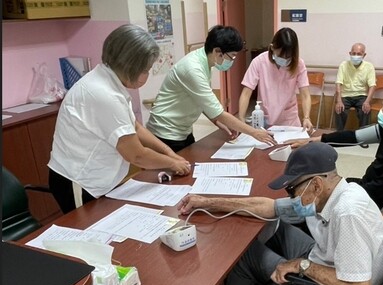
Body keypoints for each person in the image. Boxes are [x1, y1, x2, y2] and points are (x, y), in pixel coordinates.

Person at [178, 142, 383, 285]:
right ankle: (253, 284)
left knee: (243, 255)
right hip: (329, 257)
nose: (290, 196)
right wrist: (208, 203)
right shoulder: (339, 191)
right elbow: (270, 207)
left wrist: (302, 265)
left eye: (292, 189)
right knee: (276, 226)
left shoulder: (347, 214)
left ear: (316, 185)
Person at [48, 24, 191, 214]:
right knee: (91, 231)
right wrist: (172, 163)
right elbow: (136, 155)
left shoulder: (109, 82)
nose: (147, 76)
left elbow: (135, 127)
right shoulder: (103, 94)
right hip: (79, 181)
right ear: (130, 65)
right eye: (146, 70)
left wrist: (169, 152)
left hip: (100, 178)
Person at [286, 83, 383, 222]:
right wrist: (313, 140)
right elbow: (355, 137)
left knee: (317, 194)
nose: (381, 111)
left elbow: (377, 190)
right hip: (369, 185)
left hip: (375, 202)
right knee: (321, 187)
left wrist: (332, 194)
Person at [147, 25, 276, 152]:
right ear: (217, 51)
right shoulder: (193, 69)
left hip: (182, 131)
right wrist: (254, 133)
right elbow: (219, 112)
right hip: (165, 133)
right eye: (232, 56)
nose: (232, 60)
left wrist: (216, 121)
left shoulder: (203, 61)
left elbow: (201, 101)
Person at [237, 28, 313, 132]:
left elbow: (305, 94)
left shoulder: (298, 64)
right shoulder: (259, 62)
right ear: (272, 47)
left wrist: (306, 117)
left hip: (289, 120)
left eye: (288, 57)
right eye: (281, 56)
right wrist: (241, 118)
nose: (285, 60)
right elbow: (246, 92)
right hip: (265, 119)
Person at [334, 43, 376, 131]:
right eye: (354, 53)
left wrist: (367, 102)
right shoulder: (343, 65)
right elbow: (338, 83)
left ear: (364, 55)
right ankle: (339, 135)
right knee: (339, 109)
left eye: (359, 54)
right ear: (350, 53)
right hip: (345, 95)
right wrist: (339, 101)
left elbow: (372, 85)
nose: (356, 56)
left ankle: (363, 136)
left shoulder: (369, 66)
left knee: (365, 110)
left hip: (361, 95)